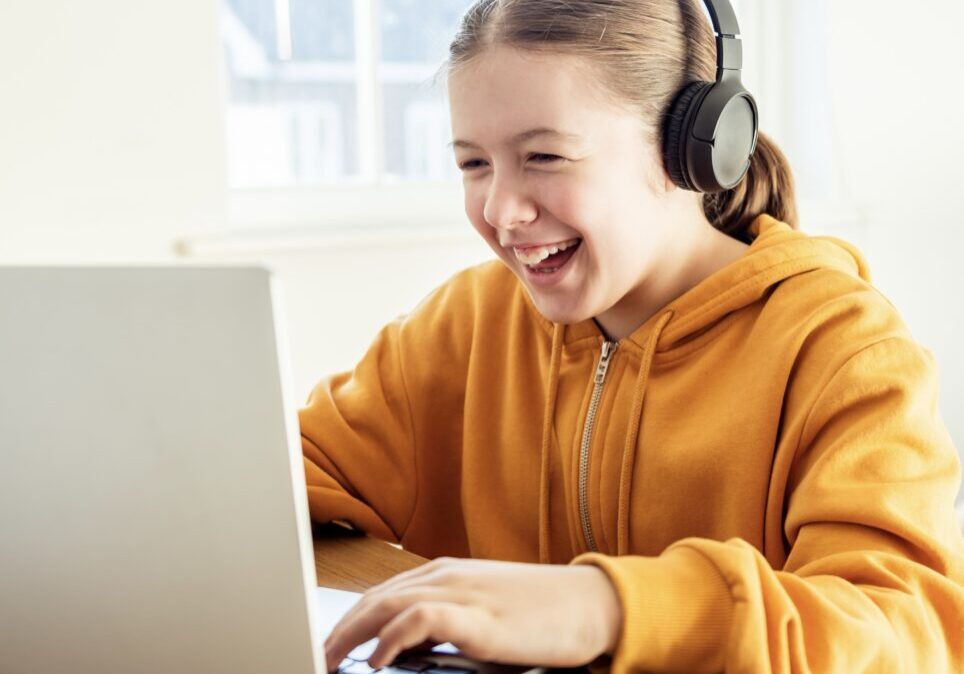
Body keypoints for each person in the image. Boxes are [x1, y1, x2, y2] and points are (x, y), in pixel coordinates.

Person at [302, 1, 964, 672]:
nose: (501, 210)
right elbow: (276, 483)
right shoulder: (466, 325)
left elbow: (905, 631)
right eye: (474, 165)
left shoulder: (844, 351)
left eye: (544, 156)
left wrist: (606, 607)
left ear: (694, 149)